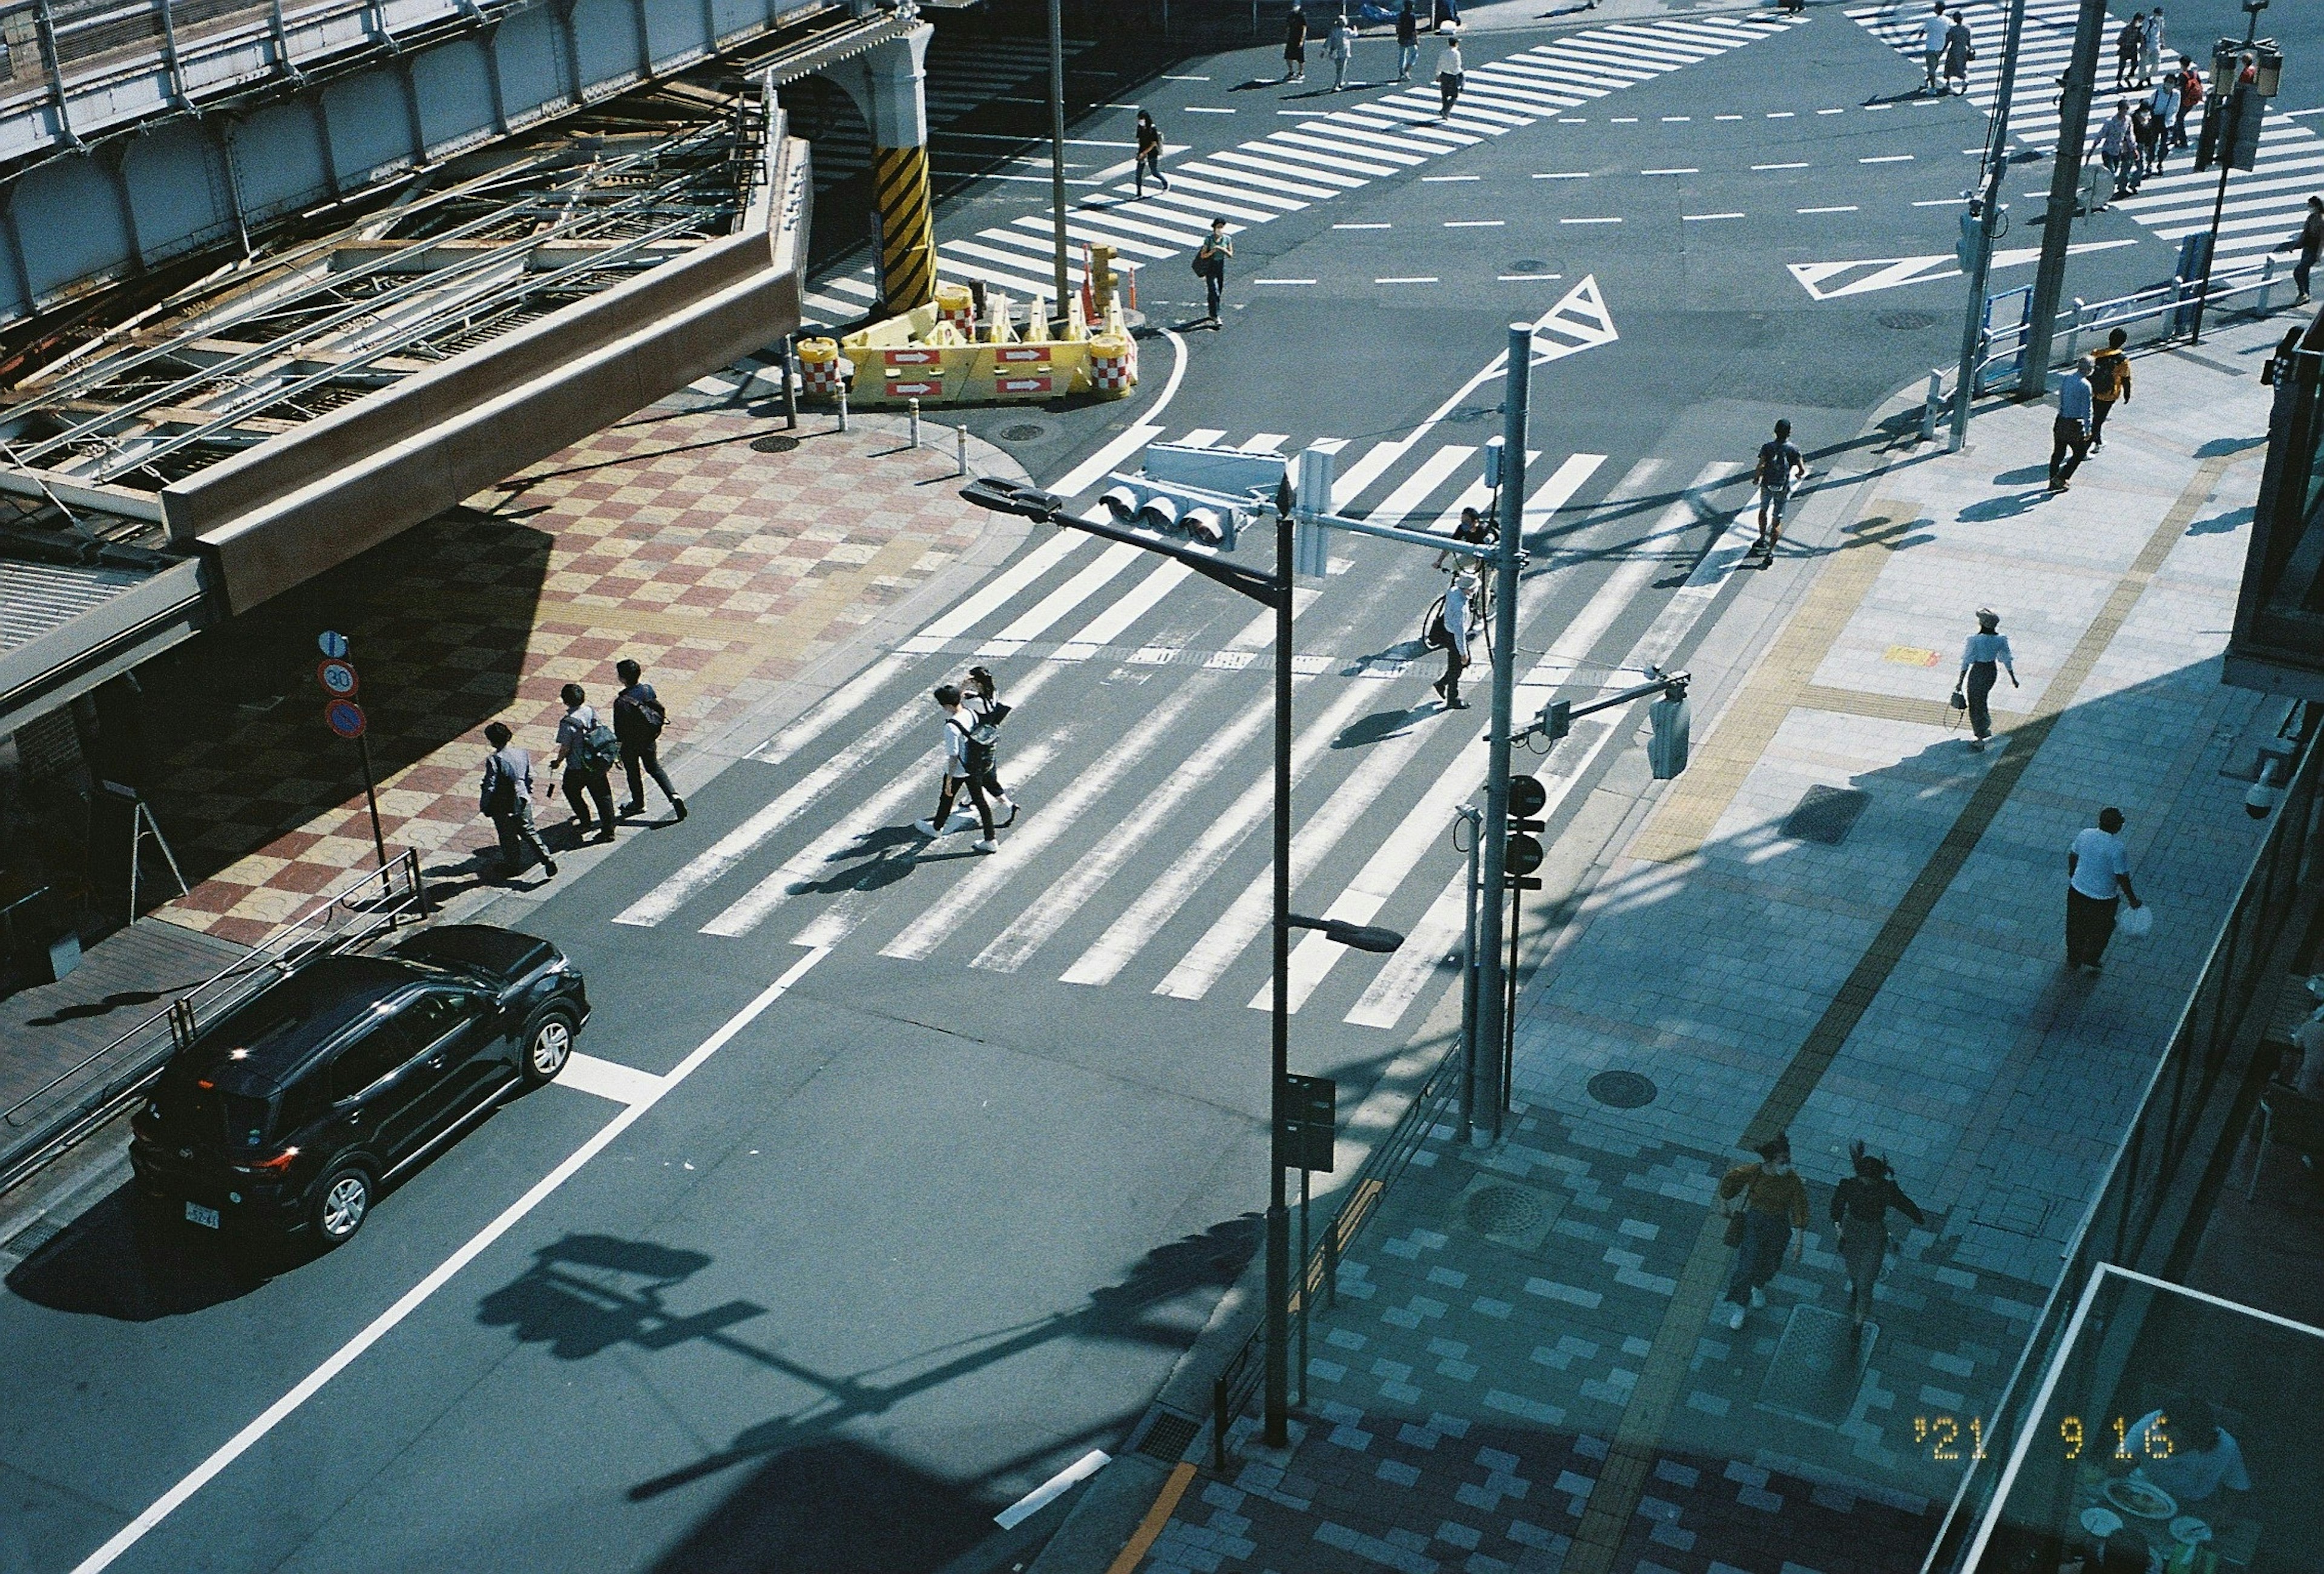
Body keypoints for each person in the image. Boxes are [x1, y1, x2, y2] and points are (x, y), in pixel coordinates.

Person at [1830, 1142, 1926, 1334]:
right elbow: (1836, 1208)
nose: (1865, 1182)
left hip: (1874, 1235)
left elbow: (1904, 1204)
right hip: (1852, 1231)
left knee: (1866, 1282)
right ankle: (1856, 1289)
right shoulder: (1849, 1186)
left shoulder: (1885, 1189)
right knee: (1853, 1271)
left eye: (1868, 1179)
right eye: (1863, 1178)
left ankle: (1858, 1323)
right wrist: (1838, 1227)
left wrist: (1918, 1217)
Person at [1717, 1134, 1807, 1331]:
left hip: (1779, 1226)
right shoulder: (1754, 1172)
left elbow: (1799, 1207)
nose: (1787, 1165)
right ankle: (1740, 1306)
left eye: (1788, 1161)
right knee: (1746, 1267)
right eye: (1783, 1161)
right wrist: (1724, 1202)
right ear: (1771, 1160)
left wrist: (1799, 1241)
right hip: (1755, 1223)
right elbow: (1731, 1178)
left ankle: (1758, 1286)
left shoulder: (1793, 1181)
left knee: (1771, 1263)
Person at [914, 684, 998, 853]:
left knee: (946, 798)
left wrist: (950, 779)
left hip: (960, 768)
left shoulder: (951, 726)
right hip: (975, 766)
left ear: (946, 705)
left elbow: (953, 756)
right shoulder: (970, 713)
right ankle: (990, 840)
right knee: (981, 802)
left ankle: (937, 828)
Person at [2124, 1402, 2251, 1504]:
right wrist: (2124, 1463)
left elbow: (2237, 1486)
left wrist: (2225, 1514)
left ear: (2201, 1441)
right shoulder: (2150, 1424)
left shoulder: (2226, 1447)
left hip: (2192, 1504)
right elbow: (2115, 1462)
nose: (2171, 1448)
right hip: (2143, 1487)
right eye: (2168, 1440)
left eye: (2181, 1443)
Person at [2067, 806, 2142, 971]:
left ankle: (2073, 957)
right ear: (2117, 827)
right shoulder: (2117, 848)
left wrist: (2073, 874)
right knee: (2102, 929)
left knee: (2075, 925)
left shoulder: (2085, 834)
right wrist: (2133, 900)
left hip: (2077, 890)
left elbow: (2073, 855)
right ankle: (2091, 957)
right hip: (2103, 898)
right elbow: (2122, 877)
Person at [612, 657, 686, 822]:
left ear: (622, 678)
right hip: (648, 739)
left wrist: (617, 752)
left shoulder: (621, 702)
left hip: (630, 744)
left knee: (633, 773)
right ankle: (673, 795)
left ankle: (638, 803)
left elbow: (619, 730)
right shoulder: (647, 690)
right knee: (654, 768)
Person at [479, 722, 557, 879]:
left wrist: (485, 804)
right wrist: (528, 793)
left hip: (503, 804)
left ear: (492, 741)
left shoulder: (494, 760)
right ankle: (547, 858)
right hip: (522, 799)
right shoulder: (522, 753)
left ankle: (512, 866)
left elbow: (490, 785)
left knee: (508, 837)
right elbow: (529, 777)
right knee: (529, 831)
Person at [548, 683, 617, 844]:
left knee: (571, 790)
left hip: (578, 766)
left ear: (566, 701)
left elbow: (566, 747)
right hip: (598, 760)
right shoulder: (590, 711)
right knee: (603, 795)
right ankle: (609, 830)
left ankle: (585, 821)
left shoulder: (568, 723)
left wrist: (558, 762)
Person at [1954, 608, 2018, 752]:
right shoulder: (2001, 639)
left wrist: (1960, 681)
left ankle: (1980, 737)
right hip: (1991, 672)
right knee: (1981, 700)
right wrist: (2013, 678)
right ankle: (1984, 728)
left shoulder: (1975, 640)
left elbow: (1967, 661)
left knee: (1976, 704)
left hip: (1978, 672)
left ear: (1982, 623)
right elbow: (2006, 658)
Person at [961, 665, 1017, 826]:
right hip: (988, 740)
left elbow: (955, 703)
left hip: (978, 744)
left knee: (983, 776)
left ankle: (1009, 806)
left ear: (978, 683)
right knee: (987, 772)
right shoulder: (993, 693)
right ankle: (970, 799)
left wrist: (963, 688)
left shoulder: (977, 702)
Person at [1753, 418, 1805, 557]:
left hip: (1767, 484)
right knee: (1777, 520)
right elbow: (1802, 469)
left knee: (1763, 510)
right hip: (1782, 487)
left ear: (1775, 431)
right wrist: (1799, 474)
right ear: (1789, 433)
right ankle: (1771, 552)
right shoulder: (1794, 449)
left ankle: (1762, 538)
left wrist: (1757, 477)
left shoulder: (1767, 447)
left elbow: (1761, 465)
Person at [1430, 566, 1475, 710]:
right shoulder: (1460, 608)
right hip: (1453, 637)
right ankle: (1452, 698)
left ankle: (1443, 683)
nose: (1474, 591)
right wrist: (1463, 653)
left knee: (1460, 665)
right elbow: (1459, 634)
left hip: (1446, 629)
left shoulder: (1453, 591)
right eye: (1472, 589)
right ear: (1466, 589)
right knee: (1457, 668)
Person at [2050, 356, 2093, 493]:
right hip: (2074, 424)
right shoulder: (2085, 385)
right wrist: (2088, 429)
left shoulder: (2067, 379)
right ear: (2089, 369)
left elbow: (2061, 397)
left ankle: (2052, 480)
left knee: (2058, 452)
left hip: (2061, 420)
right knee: (2080, 453)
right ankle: (2062, 478)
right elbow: (2087, 410)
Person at [2089, 327, 2132, 450]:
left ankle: (2099, 441)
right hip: (2109, 394)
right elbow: (2126, 379)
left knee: (2097, 416)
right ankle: (2087, 445)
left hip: (2095, 390)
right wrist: (2127, 394)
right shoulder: (2122, 360)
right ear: (2123, 342)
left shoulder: (2096, 353)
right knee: (2099, 419)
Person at [2276, 195, 2323, 306]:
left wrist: (2318, 255)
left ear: (2317, 206)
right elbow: (2304, 235)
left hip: (2314, 250)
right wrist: (2295, 246)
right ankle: (2304, 294)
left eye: (2311, 206)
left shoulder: (2321, 220)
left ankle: (2303, 293)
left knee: (2298, 271)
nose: (2309, 208)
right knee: (2304, 273)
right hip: (2307, 249)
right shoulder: (2310, 218)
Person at [2094, 102, 2135, 202]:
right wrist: (2092, 150)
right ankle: (2106, 196)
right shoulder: (2110, 122)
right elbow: (2101, 135)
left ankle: (2108, 191)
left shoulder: (2128, 120)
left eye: (2127, 109)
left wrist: (2134, 149)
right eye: (2125, 109)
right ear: (2120, 109)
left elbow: (2130, 135)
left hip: (2118, 151)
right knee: (2111, 175)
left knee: (2116, 170)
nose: (2126, 111)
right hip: (2107, 151)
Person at [1195, 218, 1232, 326]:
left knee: (1218, 291)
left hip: (1220, 266)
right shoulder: (1209, 239)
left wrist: (1222, 249)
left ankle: (1212, 312)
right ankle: (1216, 317)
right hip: (1210, 267)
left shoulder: (1227, 239)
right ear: (1214, 227)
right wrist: (1212, 251)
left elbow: (1230, 255)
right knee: (1214, 290)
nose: (1220, 229)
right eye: (1218, 227)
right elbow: (1203, 255)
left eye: (1222, 227)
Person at [2147, 72, 2179, 171]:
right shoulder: (2157, 92)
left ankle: (2160, 163)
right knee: (2153, 142)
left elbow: (2175, 109)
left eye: (2172, 83)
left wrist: (2169, 122)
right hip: (2156, 120)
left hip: (2167, 122)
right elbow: (2150, 104)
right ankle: (2150, 162)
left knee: (2164, 144)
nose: (2169, 84)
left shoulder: (2176, 94)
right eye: (2168, 82)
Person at [1135, 111, 1168, 197]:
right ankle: (1139, 193)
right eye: (1139, 119)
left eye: (1141, 119)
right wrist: (1140, 153)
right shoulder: (1140, 127)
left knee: (1154, 172)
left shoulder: (1152, 128)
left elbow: (1154, 144)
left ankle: (1165, 183)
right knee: (1138, 174)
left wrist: (1144, 153)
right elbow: (1139, 140)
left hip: (1152, 152)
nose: (1140, 121)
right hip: (1142, 152)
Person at [2171, 55, 2201, 148]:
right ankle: (2174, 138)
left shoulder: (2183, 75)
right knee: (2179, 118)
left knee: (2179, 120)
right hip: (2193, 101)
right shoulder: (2196, 74)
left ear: (2181, 64)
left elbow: (2178, 88)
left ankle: (2183, 141)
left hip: (2184, 101)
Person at [1942, 10, 1972, 96]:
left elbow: (1948, 41)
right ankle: (1965, 80)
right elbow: (1968, 41)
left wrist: (1942, 49)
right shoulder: (1967, 28)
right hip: (1964, 50)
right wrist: (1970, 49)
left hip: (1954, 50)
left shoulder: (1953, 30)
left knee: (1949, 65)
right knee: (1963, 67)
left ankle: (1948, 83)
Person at [2129, 102, 2159, 188]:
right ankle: (2126, 184)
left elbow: (2150, 132)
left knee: (2140, 167)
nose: (2146, 113)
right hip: (2132, 145)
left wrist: (2148, 144)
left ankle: (2134, 184)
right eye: (2145, 111)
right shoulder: (2133, 119)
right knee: (2128, 166)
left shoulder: (2149, 118)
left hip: (2141, 145)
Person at [1922, 0, 1949, 93]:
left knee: (1931, 68)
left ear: (1937, 9)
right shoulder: (1947, 21)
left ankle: (1933, 88)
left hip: (1930, 47)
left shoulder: (1931, 21)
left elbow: (1923, 31)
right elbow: (1949, 32)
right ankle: (1929, 80)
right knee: (1934, 66)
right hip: (1940, 48)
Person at [1436, 34, 1465, 117]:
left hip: (1444, 75)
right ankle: (1446, 110)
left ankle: (1445, 110)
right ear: (1456, 44)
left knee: (1444, 95)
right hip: (1453, 76)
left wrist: (1438, 74)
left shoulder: (1444, 52)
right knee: (1454, 95)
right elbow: (1457, 65)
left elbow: (1439, 64)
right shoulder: (1456, 53)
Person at [1327, 11, 1354, 91]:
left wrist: (1324, 50)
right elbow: (1355, 35)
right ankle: (1336, 85)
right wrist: (1355, 30)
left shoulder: (1334, 31)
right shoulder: (1347, 31)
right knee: (1342, 69)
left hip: (1335, 51)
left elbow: (1328, 41)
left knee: (1339, 68)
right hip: (1344, 52)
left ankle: (1341, 81)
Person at [2115, 14, 2142, 91]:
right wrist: (2123, 43)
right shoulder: (2127, 28)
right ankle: (2119, 81)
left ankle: (2129, 77)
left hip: (2133, 50)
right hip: (2125, 50)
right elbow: (2120, 39)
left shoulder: (2139, 29)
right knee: (2122, 67)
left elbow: (2140, 39)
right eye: (2140, 20)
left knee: (2135, 65)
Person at [2140, 5, 2164, 88]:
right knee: (2143, 64)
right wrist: (2144, 46)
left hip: (2156, 45)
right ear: (2155, 14)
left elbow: (2161, 31)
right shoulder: (2149, 22)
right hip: (2148, 45)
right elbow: (2142, 34)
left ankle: (2149, 77)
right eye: (2158, 14)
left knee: (2156, 63)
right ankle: (2141, 80)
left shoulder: (2161, 21)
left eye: (2160, 15)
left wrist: (2162, 42)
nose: (2159, 16)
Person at [1396, 0, 1419, 82]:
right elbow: (1413, 29)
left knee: (1402, 55)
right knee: (1415, 53)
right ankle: (1407, 69)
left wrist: (1398, 34)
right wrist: (1416, 39)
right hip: (1410, 38)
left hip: (1402, 37)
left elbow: (1398, 25)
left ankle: (1401, 73)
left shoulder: (1401, 15)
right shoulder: (1412, 16)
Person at [1283, 4, 1307, 82]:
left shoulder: (1301, 16)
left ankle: (1301, 72)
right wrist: (1287, 34)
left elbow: (1304, 28)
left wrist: (1302, 40)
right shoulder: (1290, 15)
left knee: (1300, 57)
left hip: (1299, 38)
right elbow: (1288, 26)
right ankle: (1291, 72)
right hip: (1291, 38)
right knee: (1288, 56)